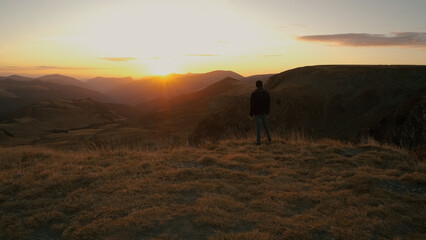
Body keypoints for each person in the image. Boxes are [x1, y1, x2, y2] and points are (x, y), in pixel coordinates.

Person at [250, 80, 271, 145]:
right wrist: (267, 112)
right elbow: (268, 103)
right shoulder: (266, 93)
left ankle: (258, 142)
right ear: (262, 85)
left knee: (258, 128)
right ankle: (269, 139)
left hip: (257, 113)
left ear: (256, 85)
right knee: (266, 126)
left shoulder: (254, 94)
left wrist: (251, 114)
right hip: (264, 112)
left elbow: (252, 105)